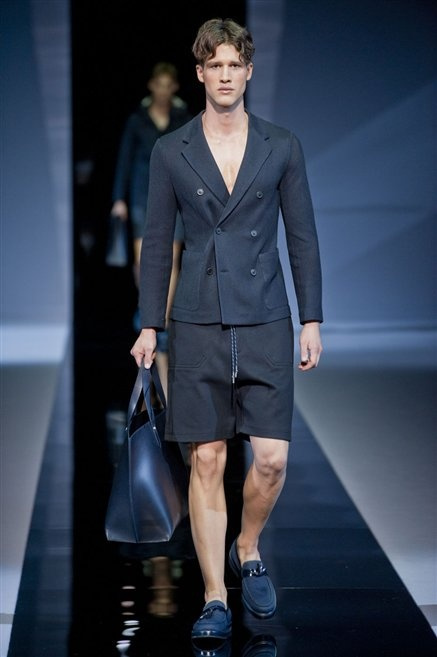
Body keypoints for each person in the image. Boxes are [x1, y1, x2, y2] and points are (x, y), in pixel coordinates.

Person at [131, 18, 323, 642]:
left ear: (248, 71)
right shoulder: (171, 150)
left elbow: (302, 236)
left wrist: (311, 318)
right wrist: (149, 324)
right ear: (199, 73)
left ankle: (248, 545)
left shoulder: (281, 146)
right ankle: (214, 595)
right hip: (197, 319)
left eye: (233, 64)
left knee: (271, 460)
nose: (224, 75)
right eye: (213, 65)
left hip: (266, 315)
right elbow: (158, 241)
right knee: (208, 458)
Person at [111, 62, 191, 387]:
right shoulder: (137, 120)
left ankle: (163, 321)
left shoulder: (184, 118)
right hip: (142, 197)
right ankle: (148, 313)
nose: (163, 90)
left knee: (171, 259)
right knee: (144, 260)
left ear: (174, 88)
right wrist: (118, 198)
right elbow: (125, 160)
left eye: (168, 84)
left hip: (175, 195)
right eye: (159, 83)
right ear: (151, 86)